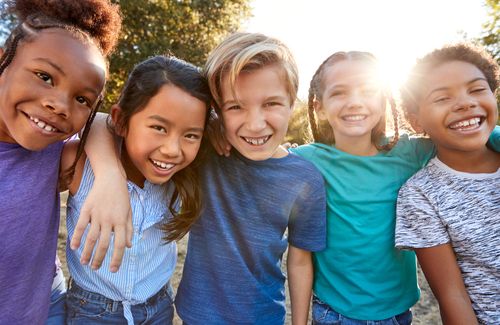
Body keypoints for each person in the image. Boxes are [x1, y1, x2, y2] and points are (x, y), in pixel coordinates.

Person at [290, 50, 500, 325]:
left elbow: (466, 133)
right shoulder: (307, 160)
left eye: (368, 90)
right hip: (335, 312)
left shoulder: (410, 153)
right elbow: (260, 157)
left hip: (398, 313)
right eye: (339, 93)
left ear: (384, 100)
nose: (355, 102)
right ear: (319, 106)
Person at [174, 32, 327, 325]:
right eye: (235, 106)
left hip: (263, 316)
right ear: (217, 110)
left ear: (292, 103)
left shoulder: (306, 178)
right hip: (196, 315)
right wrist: (210, 125)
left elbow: (300, 260)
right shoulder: (205, 149)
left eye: (271, 104)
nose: (255, 124)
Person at [0, 0, 130, 324]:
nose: (59, 106)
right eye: (45, 76)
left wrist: (111, 176)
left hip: (46, 308)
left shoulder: (53, 150)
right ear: (3, 61)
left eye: (81, 98)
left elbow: (100, 123)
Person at [63, 55, 212, 325]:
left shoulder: (186, 176)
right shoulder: (80, 164)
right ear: (122, 121)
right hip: (91, 311)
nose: (172, 150)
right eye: (158, 128)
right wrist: (109, 175)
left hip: (158, 307)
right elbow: (94, 120)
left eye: (190, 135)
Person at [395, 43, 500, 324]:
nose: (465, 103)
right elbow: (452, 295)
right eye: (442, 98)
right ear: (416, 121)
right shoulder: (420, 194)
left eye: (477, 90)